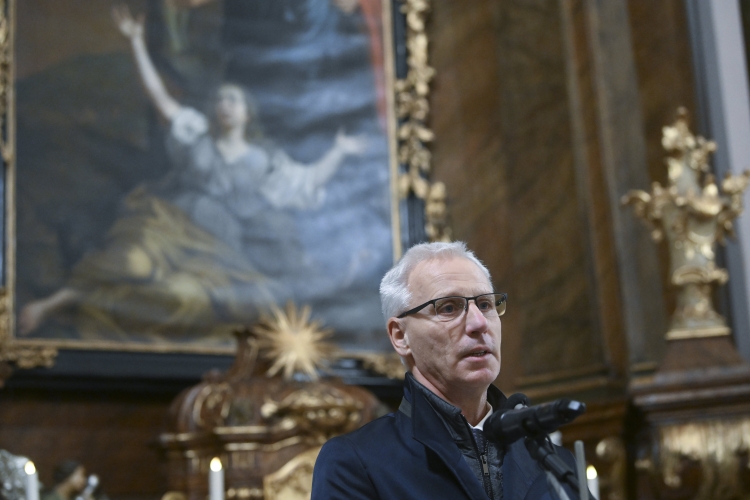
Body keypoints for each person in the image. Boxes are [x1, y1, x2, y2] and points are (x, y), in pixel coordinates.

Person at [18, 5, 366, 341]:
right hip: (170, 223)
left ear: (247, 114)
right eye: (221, 100)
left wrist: (338, 151)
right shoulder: (195, 133)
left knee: (186, 297)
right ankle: (52, 304)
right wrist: (136, 42)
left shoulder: (264, 160)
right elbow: (158, 96)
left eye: (234, 100)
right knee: (132, 262)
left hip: (219, 246)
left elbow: (307, 181)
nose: (225, 105)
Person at [311, 241, 586, 499]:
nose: (479, 323)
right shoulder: (356, 462)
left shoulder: (555, 464)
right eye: (449, 308)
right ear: (400, 336)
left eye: (485, 304)